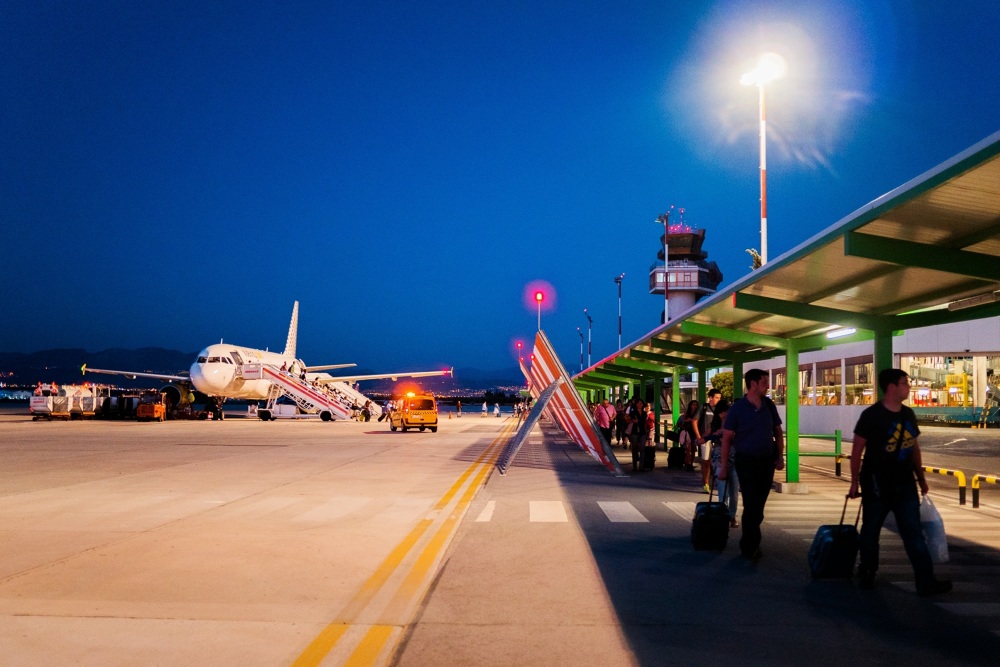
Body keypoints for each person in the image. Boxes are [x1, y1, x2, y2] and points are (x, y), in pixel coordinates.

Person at [848, 369, 952, 596]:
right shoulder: (871, 415)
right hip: (876, 483)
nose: (909, 387)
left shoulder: (908, 414)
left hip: (905, 483)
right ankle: (867, 572)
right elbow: (857, 451)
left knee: (913, 531)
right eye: (905, 383)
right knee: (871, 529)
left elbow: (913, 447)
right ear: (892, 387)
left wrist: (921, 478)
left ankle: (925, 581)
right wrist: (854, 482)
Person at [719, 369, 783, 562]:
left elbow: (778, 432)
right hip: (745, 460)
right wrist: (723, 467)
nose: (767, 385)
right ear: (753, 384)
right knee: (750, 501)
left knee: (759, 505)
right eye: (764, 381)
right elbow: (727, 438)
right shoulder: (738, 408)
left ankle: (750, 541)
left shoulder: (769, 405)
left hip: (767, 461)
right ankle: (750, 545)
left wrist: (780, 456)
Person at [705, 400, 738, 527]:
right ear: (718, 412)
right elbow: (704, 437)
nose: (725, 413)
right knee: (722, 491)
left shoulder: (735, 425)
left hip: (734, 460)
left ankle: (732, 516)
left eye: (727, 410)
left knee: (734, 491)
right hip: (719, 461)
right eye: (722, 411)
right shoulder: (714, 426)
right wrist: (714, 435)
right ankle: (723, 516)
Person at [699, 389, 722, 489]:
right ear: (710, 398)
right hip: (705, 437)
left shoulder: (720, 410)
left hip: (716, 438)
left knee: (715, 460)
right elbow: (695, 421)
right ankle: (706, 482)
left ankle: (711, 480)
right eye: (717, 397)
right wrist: (699, 436)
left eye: (720, 398)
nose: (718, 400)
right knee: (706, 460)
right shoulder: (704, 408)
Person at [679, 399, 702, 475]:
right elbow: (680, 422)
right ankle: (688, 463)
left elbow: (699, 422)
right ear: (690, 406)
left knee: (693, 449)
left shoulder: (698, 414)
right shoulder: (686, 414)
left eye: (696, 405)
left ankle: (690, 463)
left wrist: (691, 420)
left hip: (694, 432)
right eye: (693, 405)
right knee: (688, 449)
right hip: (688, 432)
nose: (694, 406)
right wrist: (686, 421)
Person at [629, 399, 648, 472]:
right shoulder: (633, 412)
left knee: (642, 449)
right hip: (635, 432)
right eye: (638, 403)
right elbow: (629, 419)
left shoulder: (644, 413)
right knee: (634, 449)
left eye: (641, 403)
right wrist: (633, 420)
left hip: (642, 432)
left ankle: (641, 466)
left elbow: (643, 421)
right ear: (636, 404)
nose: (640, 404)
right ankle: (634, 466)